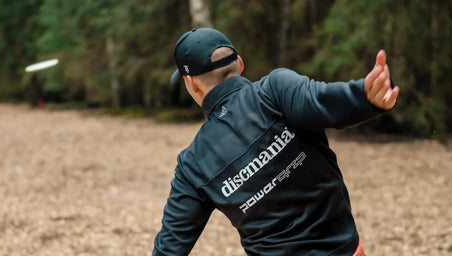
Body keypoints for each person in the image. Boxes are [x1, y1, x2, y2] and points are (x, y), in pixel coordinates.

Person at [152, 28, 399, 256]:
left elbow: (170, 248)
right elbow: (324, 100)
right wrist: (365, 97)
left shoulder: (193, 163)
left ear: (191, 82)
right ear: (239, 63)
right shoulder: (276, 90)